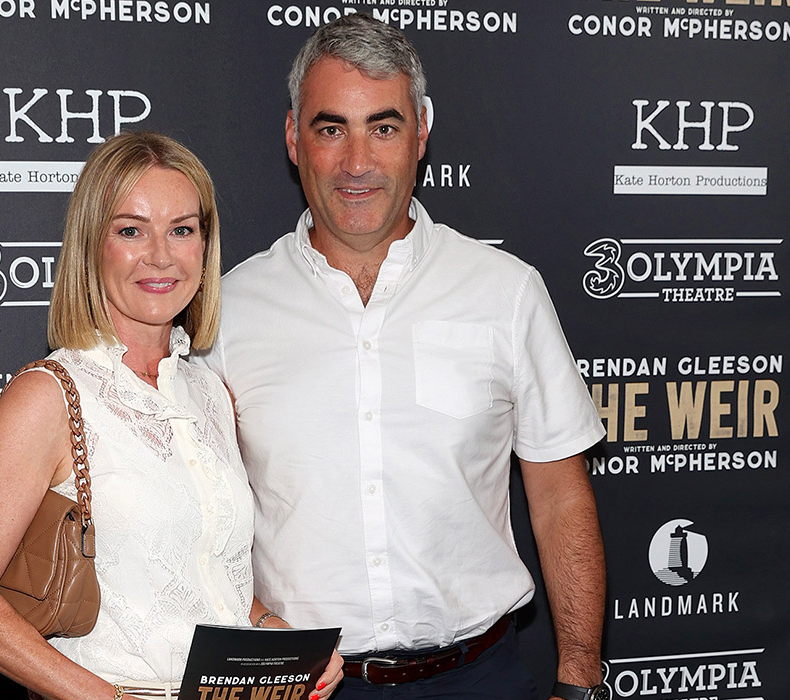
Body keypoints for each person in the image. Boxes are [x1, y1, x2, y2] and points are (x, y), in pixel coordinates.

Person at [196, 14, 609, 700]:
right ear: (295, 138)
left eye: (382, 128)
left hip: (481, 678)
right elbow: (199, 520)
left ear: (420, 132)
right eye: (332, 128)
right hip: (300, 686)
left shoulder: (505, 291)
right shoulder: (226, 309)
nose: (357, 162)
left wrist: (580, 679)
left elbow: (561, 496)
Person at [0, 131, 343, 700]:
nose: (160, 255)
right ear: (92, 244)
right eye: (131, 230)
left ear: (204, 244)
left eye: (182, 230)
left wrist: (283, 641)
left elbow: (203, 569)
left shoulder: (206, 392)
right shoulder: (51, 394)